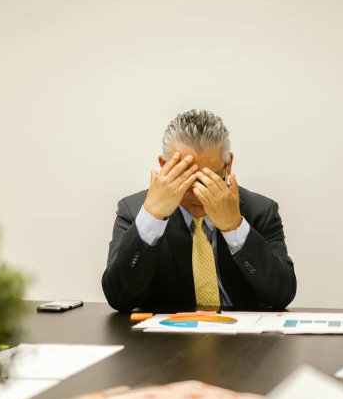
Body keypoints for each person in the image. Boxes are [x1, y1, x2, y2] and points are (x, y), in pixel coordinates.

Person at [101, 110, 297, 311]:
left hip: (243, 337)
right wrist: (152, 218)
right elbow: (119, 298)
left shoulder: (261, 211)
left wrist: (235, 228)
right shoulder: (134, 213)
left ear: (228, 165)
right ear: (164, 166)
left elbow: (282, 295)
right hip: (166, 338)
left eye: (210, 179)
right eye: (187, 178)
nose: (198, 193)